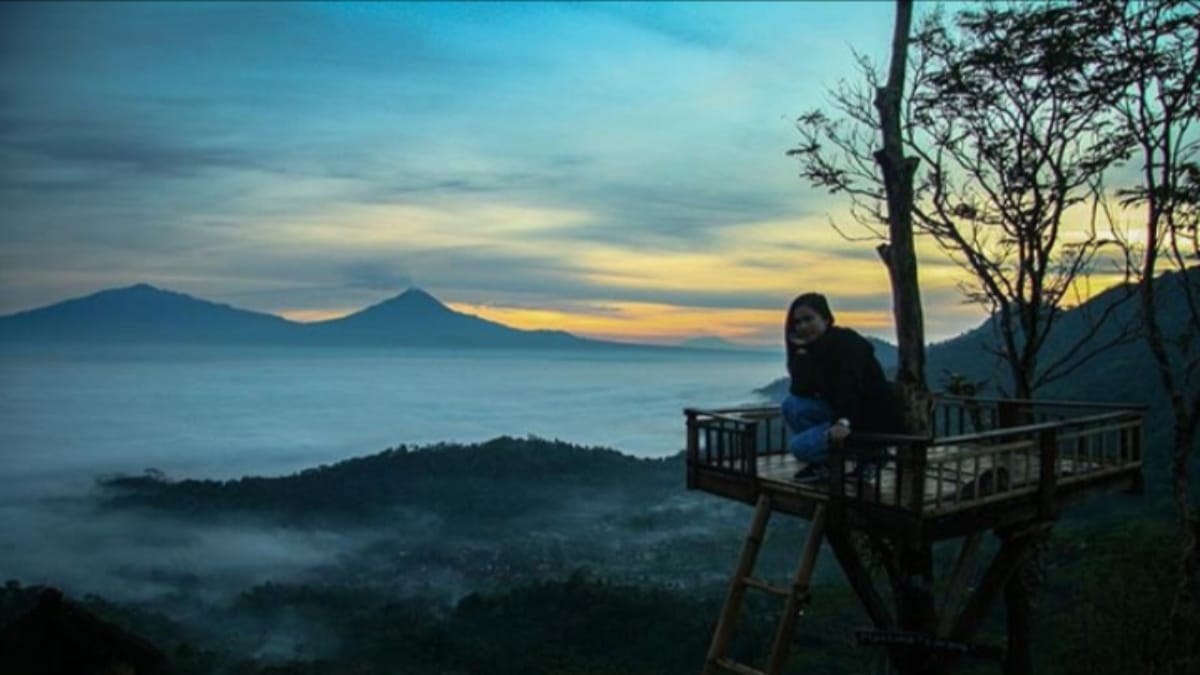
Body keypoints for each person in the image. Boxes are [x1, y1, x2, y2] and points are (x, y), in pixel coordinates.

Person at [781, 292, 903, 482]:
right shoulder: (813, 350)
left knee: (799, 447)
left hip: (869, 419)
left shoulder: (846, 342)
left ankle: (872, 455)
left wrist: (843, 422)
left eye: (808, 319)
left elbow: (850, 385)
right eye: (797, 322)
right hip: (845, 413)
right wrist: (801, 353)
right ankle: (825, 464)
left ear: (826, 318)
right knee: (792, 405)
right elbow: (800, 390)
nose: (803, 326)